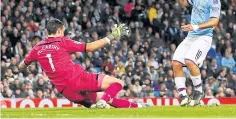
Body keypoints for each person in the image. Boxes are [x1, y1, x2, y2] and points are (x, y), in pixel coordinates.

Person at [19, 19, 149, 109]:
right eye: (63, 31)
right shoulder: (62, 41)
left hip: (67, 91)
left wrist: (26, 66)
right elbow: (90, 47)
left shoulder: (37, 48)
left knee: (104, 100)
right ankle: (104, 101)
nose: (63, 33)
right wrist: (111, 37)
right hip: (78, 79)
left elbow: (22, 66)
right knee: (119, 83)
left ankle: (139, 106)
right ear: (59, 30)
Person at [172, 0, 221, 106]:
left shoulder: (214, 0)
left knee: (189, 60)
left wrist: (196, 26)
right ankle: (183, 96)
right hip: (191, 36)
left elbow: (214, 21)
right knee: (176, 62)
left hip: (204, 37)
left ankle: (199, 91)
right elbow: (183, 3)